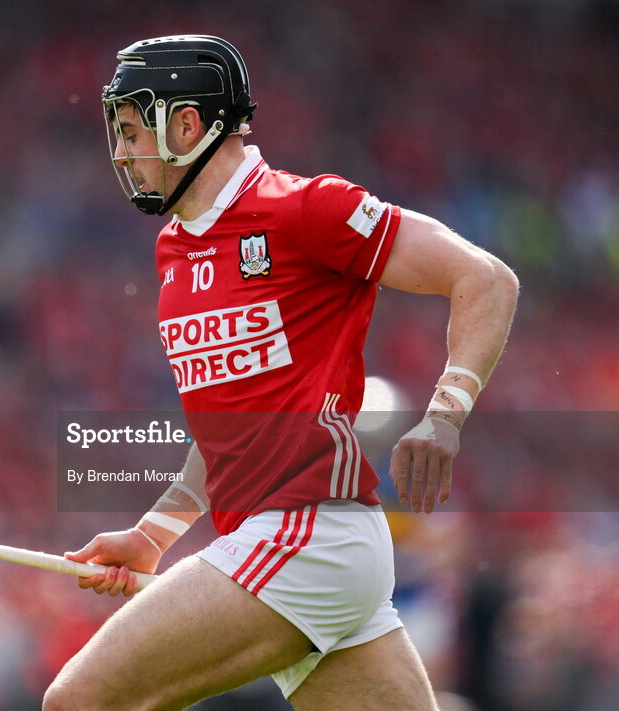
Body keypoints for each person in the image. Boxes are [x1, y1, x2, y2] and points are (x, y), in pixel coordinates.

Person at [43, 35, 518, 711]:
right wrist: (153, 533)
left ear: (188, 125)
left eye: (129, 132)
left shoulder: (306, 210)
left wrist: (446, 413)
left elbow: (485, 277)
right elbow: (230, 432)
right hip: (304, 552)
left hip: (306, 536)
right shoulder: (174, 249)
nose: (120, 154)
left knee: (81, 702)